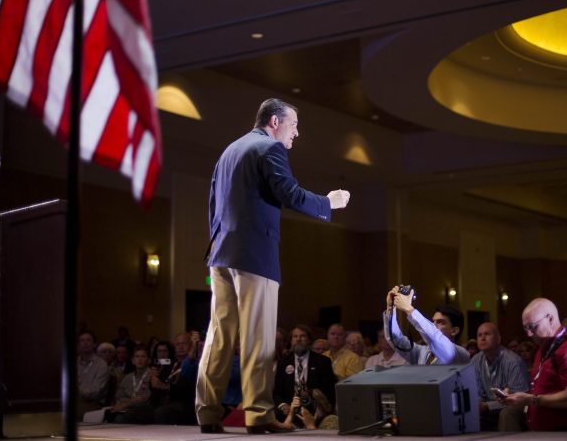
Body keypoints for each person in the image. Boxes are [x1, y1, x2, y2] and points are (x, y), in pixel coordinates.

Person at [195, 98, 350, 435]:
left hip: (221, 254)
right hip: (254, 256)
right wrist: (328, 203)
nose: (297, 133)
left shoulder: (229, 151)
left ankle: (207, 413)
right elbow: (289, 193)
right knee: (258, 339)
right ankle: (259, 415)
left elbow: (212, 206)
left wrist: (216, 251)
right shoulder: (269, 149)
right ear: (276, 121)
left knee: (219, 337)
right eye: (294, 125)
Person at [501, 298, 567, 431]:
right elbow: (544, 390)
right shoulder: (543, 348)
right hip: (545, 432)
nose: (528, 334)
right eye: (525, 328)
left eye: (532, 326)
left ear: (550, 318)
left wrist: (531, 399)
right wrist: (516, 396)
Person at [383, 286, 470, 365]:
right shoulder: (423, 352)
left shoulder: (459, 353)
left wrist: (408, 308)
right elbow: (396, 340)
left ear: (454, 331)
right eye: (433, 321)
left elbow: (435, 336)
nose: (434, 325)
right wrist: (390, 308)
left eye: (440, 322)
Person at [273, 324, 337, 426]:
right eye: (295, 336)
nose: (298, 339)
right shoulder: (283, 362)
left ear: (309, 340)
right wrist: (282, 405)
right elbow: (276, 391)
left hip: (315, 413)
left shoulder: (323, 362)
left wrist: (319, 412)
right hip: (288, 413)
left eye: (302, 336)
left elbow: (329, 391)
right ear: (291, 341)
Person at [470, 322, 529, 431]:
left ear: (498, 339)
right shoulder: (475, 361)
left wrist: (487, 406)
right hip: (486, 408)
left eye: (487, 334)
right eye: (479, 335)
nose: (482, 338)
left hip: (514, 406)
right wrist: (477, 404)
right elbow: (477, 392)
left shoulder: (513, 361)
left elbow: (518, 398)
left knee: (507, 413)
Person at [110, 345, 153, 424]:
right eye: (137, 356)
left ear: (149, 360)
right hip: (125, 409)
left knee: (119, 419)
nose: (139, 359)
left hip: (142, 410)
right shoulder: (128, 377)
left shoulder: (152, 376)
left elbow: (144, 398)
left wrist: (127, 403)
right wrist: (130, 401)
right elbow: (119, 396)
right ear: (133, 360)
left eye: (143, 356)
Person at [76, 331, 110, 420]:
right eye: (82, 340)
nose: (85, 343)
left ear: (95, 345)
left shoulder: (101, 364)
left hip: (92, 403)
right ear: (78, 345)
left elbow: (96, 391)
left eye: (88, 340)